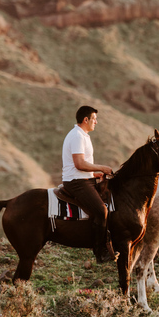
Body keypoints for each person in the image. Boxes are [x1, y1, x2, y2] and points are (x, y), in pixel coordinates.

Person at [62, 105, 116, 263]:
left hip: (83, 178)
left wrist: (94, 174)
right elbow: (79, 164)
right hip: (76, 182)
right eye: (94, 119)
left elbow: (82, 165)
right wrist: (102, 168)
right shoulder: (77, 136)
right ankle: (100, 252)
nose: (96, 122)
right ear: (86, 120)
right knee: (101, 210)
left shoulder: (83, 135)